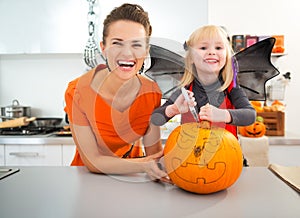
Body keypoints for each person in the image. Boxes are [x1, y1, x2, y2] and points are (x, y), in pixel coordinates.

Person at [64, 3, 169, 182]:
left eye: (137, 45)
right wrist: (144, 165)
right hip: (87, 183)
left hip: (133, 181)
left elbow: (154, 155)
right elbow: (92, 161)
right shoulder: (77, 92)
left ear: (146, 50)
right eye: (117, 43)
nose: (127, 53)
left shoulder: (152, 93)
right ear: (103, 47)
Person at [151, 25, 256, 138]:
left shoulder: (231, 89)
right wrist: (173, 109)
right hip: (190, 153)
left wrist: (223, 115)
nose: (211, 52)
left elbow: (250, 115)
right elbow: (155, 120)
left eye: (218, 48)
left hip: (225, 153)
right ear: (190, 58)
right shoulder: (185, 90)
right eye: (203, 48)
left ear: (226, 56)